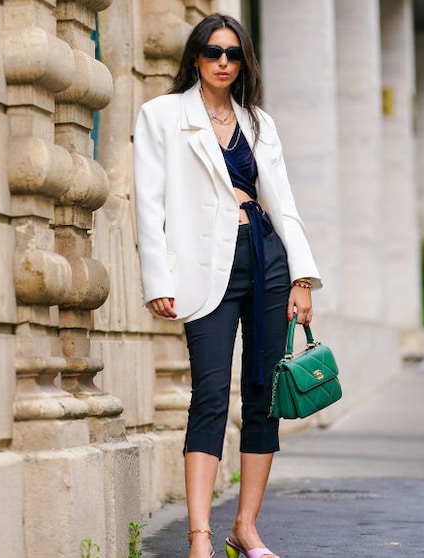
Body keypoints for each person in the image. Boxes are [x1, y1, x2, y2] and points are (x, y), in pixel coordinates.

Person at [133, 13, 322, 558]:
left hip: (266, 261)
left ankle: (246, 527)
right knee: (211, 394)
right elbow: (148, 203)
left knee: (263, 396)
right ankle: (199, 535)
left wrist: (302, 277)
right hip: (201, 267)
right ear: (195, 56)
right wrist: (156, 279)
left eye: (233, 53)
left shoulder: (258, 122)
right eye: (213, 51)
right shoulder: (162, 115)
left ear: (244, 62)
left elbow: (283, 204)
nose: (222, 61)